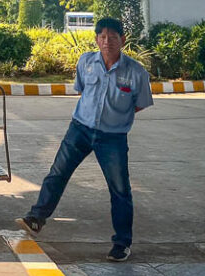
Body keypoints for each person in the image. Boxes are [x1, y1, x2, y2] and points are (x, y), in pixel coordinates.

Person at [17, 17, 152, 262]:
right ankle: (36, 218)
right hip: (80, 129)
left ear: (122, 40)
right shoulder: (86, 62)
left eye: (112, 37)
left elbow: (140, 104)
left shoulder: (136, 72)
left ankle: (122, 243)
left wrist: (116, 118)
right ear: (96, 39)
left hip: (112, 138)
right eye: (102, 37)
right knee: (57, 173)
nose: (107, 42)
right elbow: (81, 90)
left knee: (120, 190)